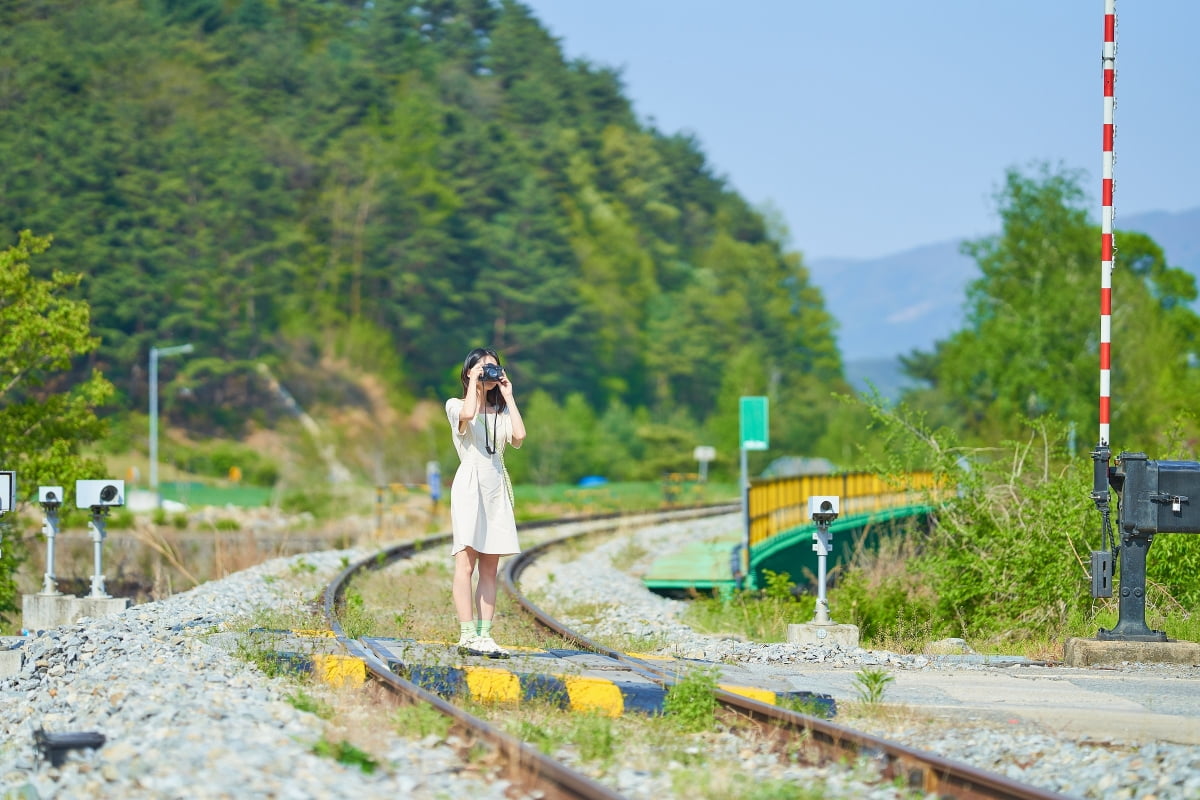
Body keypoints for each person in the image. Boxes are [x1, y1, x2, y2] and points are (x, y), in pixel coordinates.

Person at [444, 347, 526, 657]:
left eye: (494, 368)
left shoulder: (501, 412)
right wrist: (474, 386)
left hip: (495, 489)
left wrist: (508, 396)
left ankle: (485, 635)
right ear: (468, 372)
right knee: (465, 564)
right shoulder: (455, 405)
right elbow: (467, 415)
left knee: (490, 569)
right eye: (483, 368)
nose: (490, 373)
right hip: (469, 487)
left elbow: (518, 436)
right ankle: (467, 635)